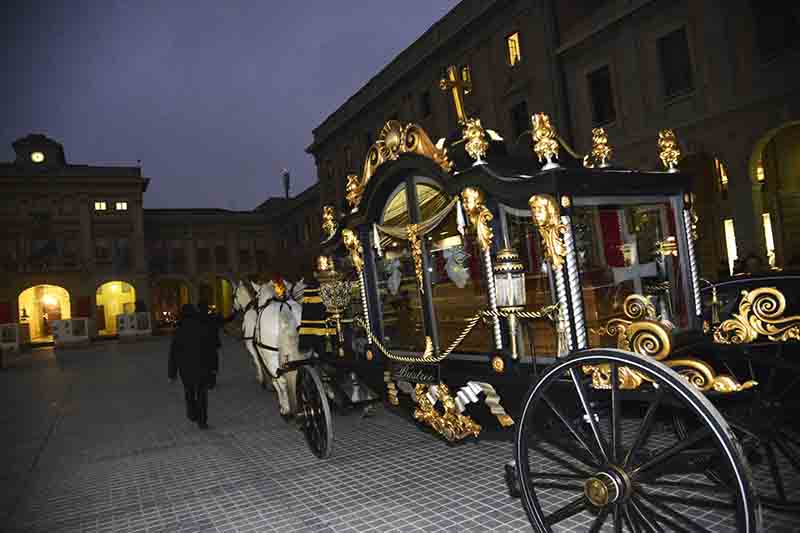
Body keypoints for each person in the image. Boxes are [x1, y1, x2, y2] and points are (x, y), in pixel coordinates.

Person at [168, 304, 218, 429]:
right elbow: (211, 350)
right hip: (202, 367)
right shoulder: (203, 327)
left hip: (185, 369)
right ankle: (202, 421)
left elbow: (173, 353)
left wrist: (172, 373)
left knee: (189, 391)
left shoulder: (178, 330)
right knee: (202, 394)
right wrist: (214, 368)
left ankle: (192, 413)